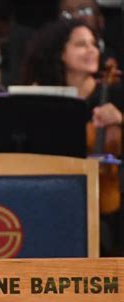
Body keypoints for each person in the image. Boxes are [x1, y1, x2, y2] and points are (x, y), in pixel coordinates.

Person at [22, 19, 123, 256]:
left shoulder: (116, 93)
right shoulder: (46, 100)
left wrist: (121, 120)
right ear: (60, 53)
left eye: (93, 44)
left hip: (112, 202)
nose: (91, 50)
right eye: (80, 44)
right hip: (55, 195)